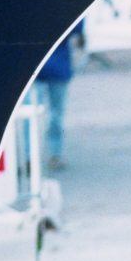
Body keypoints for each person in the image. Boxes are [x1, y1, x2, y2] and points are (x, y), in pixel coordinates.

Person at [35, 21, 85, 171]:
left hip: (36, 68)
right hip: (59, 64)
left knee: (30, 115)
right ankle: (54, 154)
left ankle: (29, 156)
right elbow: (78, 33)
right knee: (55, 113)